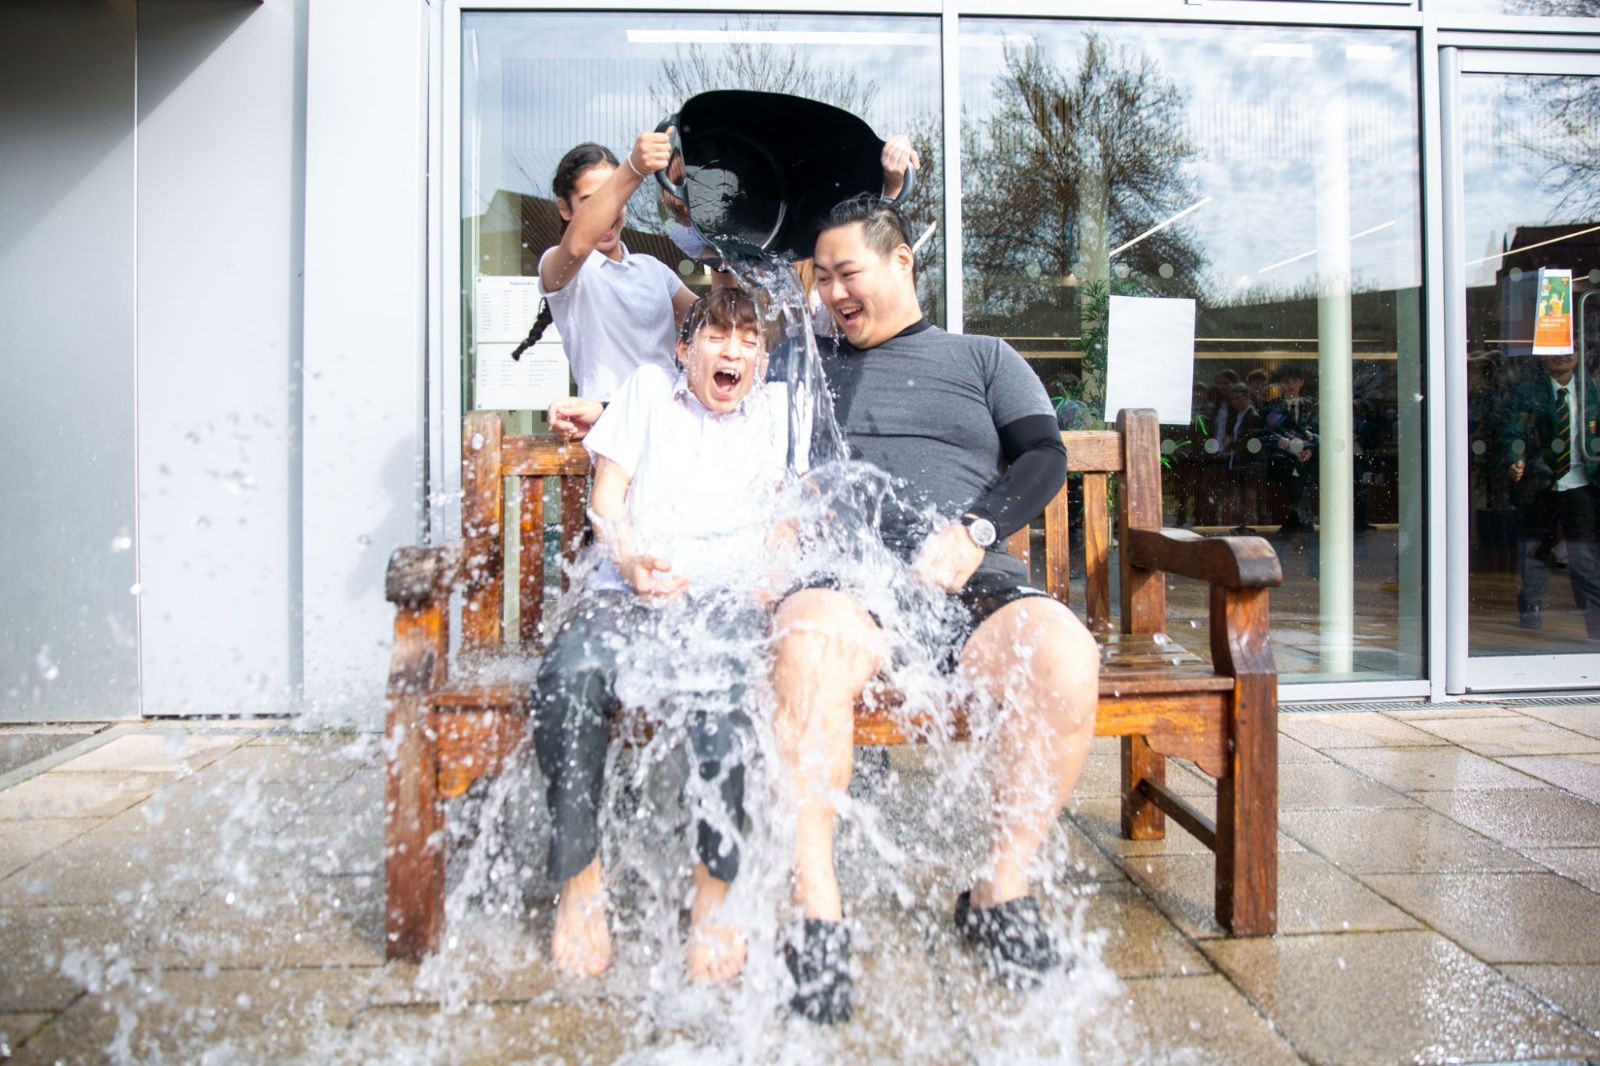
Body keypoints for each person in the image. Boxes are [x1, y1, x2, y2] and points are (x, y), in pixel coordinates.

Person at [771, 195, 1099, 1023]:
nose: (833, 293)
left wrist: (977, 530)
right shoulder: (802, 362)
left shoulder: (984, 357)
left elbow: (1045, 455)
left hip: (970, 587)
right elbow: (708, 395)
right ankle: (815, 913)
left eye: (848, 272)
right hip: (846, 586)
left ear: (901, 260)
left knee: (1064, 653)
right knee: (805, 643)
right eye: (821, 278)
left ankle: (1000, 890)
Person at [529, 288, 791, 982]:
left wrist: (768, 586)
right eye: (717, 337)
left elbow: (790, 519)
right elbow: (607, 498)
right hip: (628, 589)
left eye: (749, 342)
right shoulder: (647, 390)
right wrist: (627, 560)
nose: (734, 352)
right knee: (567, 675)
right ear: (684, 349)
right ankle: (579, 879)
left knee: (724, 693)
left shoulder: (778, 413)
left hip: (728, 596)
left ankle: (714, 894)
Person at [529, 133, 699, 441]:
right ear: (565, 208)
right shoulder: (561, 266)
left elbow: (714, 323)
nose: (607, 211)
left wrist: (716, 248)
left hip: (667, 431)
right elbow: (577, 246)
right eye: (590, 200)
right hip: (607, 435)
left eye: (613, 197)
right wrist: (633, 169)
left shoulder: (654, 269)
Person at [1502, 351, 1600, 637]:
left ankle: (1595, 622)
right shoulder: (1529, 392)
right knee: (1537, 548)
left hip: (1581, 481)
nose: (1562, 356)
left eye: (1568, 349)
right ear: (1542, 357)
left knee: (1584, 555)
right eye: (1554, 350)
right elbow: (1512, 432)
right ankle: (1530, 606)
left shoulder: (1590, 391)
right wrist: (1514, 458)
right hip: (1541, 482)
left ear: (1579, 354)